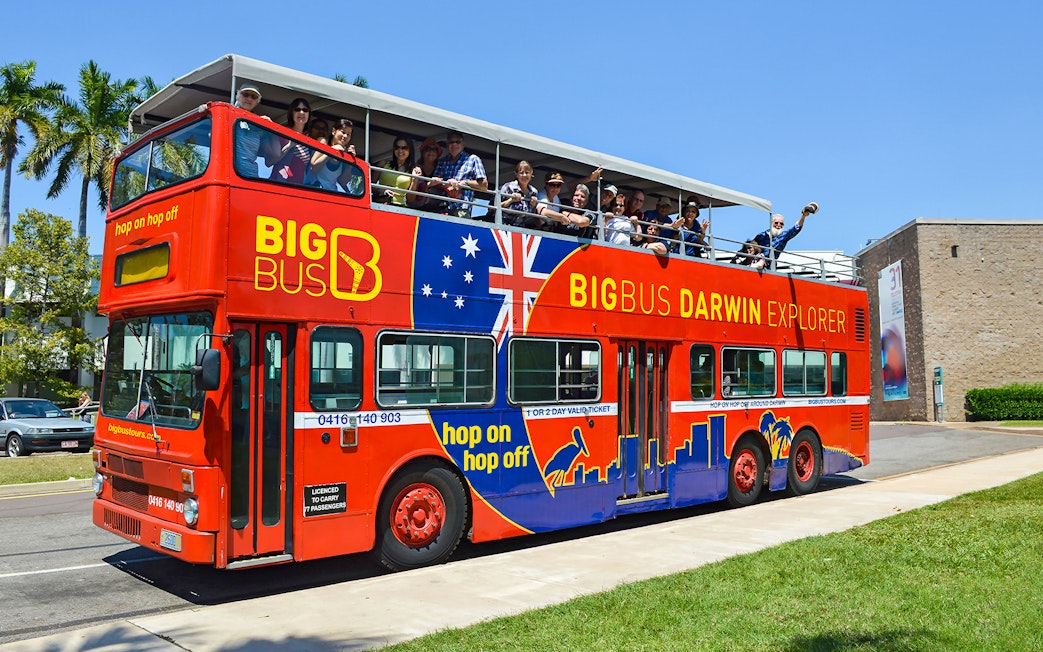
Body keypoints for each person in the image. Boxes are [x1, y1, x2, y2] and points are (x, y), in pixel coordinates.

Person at [431, 131, 488, 218]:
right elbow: (434, 184)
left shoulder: (473, 159)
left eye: (457, 142)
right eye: (451, 142)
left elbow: (484, 185)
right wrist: (446, 184)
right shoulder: (442, 161)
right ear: (447, 144)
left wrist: (464, 183)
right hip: (442, 208)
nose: (454, 144)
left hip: (462, 209)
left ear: (463, 144)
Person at [263, 98, 312, 184]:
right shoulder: (283, 134)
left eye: (305, 110)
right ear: (291, 113)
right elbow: (268, 162)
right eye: (297, 109)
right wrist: (289, 146)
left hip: (298, 187)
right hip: (280, 185)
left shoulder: (308, 139)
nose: (301, 112)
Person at [752, 202, 818, 263]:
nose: (778, 225)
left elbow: (796, 228)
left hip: (769, 265)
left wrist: (803, 215)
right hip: (754, 261)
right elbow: (749, 246)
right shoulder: (761, 235)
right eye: (776, 223)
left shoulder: (783, 236)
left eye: (781, 224)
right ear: (771, 223)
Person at [232, 84, 271, 178]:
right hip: (232, 172)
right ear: (238, 96)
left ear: (257, 101)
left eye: (253, 97)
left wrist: (270, 127)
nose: (249, 99)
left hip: (251, 174)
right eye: (245, 95)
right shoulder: (229, 114)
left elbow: (274, 154)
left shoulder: (258, 124)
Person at [309, 119, 357, 192]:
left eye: (348, 134)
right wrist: (332, 151)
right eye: (343, 132)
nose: (345, 136)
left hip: (332, 194)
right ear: (334, 131)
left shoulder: (344, 154)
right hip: (315, 190)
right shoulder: (323, 142)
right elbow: (313, 168)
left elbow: (343, 182)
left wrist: (350, 162)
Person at [373, 136, 418, 206]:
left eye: (404, 148)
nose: (400, 151)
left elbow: (410, 199)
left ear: (410, 150)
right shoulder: (383, 164)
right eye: (397, 147)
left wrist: (415, 180)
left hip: (400, 208)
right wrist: (383, 191)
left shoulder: (413, 170)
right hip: (380, 205)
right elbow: (370, 185)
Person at [499, 160, 540, 227]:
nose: (524, 175)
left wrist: (533, 206)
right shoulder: (508, 187)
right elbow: (493, 207)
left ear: (531, 173)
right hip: (504, 227)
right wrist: (510, 200)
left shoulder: (534, 192)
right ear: (516, 174)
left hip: (522, 230)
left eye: (527, 172)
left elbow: (532, 216)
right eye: (521, 173)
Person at [409, 137, 444, 211]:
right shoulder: (415, 169)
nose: (431, 152)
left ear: (437, 154)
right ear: (422, 153)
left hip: (434, 211)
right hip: (414, 209)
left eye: (434, 150)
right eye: (427, 149)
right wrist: (428, 184)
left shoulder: (441, 170)